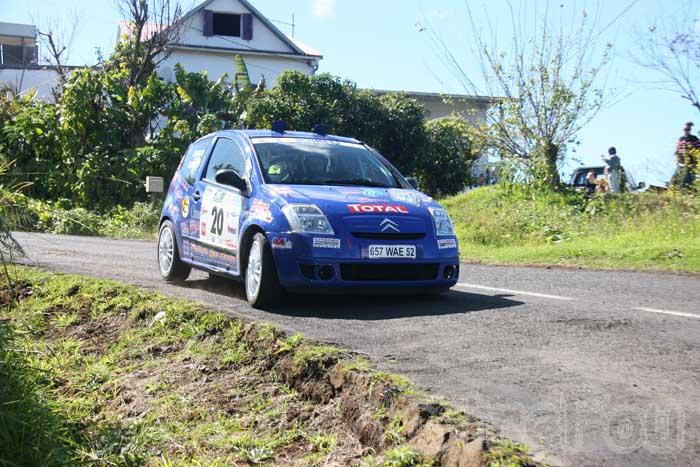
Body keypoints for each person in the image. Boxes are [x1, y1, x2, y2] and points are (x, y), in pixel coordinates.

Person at [674, 122, 699, 188]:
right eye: (685, 129)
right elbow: (677, 151)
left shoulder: (694, 138)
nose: (686, 130)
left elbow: (698, 149)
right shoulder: (680, 139)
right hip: (681, 162)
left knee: (688, 179)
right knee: (676, 179)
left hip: (691, 163)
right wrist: (677, 160)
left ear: (690, 130)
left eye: (688, 129)